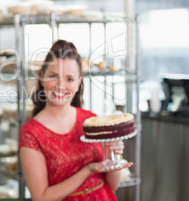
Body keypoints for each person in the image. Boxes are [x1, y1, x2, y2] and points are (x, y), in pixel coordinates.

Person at [19, 40, 133, 201]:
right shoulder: (31, 133)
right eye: (53, 76)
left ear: (79, 82)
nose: (60, 85)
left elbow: (112, 185)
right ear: (42, 76)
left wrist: (114, 153)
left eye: (69, 79)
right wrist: (88, 170)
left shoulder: (91, 121)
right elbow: (41, 197)